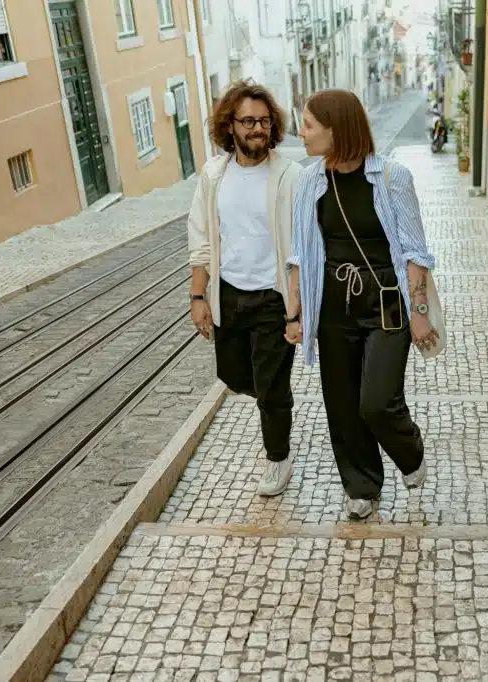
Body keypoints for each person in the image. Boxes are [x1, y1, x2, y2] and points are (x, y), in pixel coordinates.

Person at [285, 89, 439, 520]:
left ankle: (410, 450)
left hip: (386, 302)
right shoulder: (309, 180)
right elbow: (300, 252)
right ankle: (362, 486)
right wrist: (295, 313)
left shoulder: (392, 178)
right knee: (342, 403)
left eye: (310, 125)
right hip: (332, 307)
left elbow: (415, 253)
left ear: (338, 129)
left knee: (377, 401)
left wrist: (420, 314)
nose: (302, 132)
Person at [187, 80, 302, 497]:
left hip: (273, 297)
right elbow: (200, 238)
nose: (258, 128)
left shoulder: (290, 174)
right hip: (229, 294)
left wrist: (296, 307)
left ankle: (278, 457)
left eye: (264, 121)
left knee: (271, 387)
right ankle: (276, 403)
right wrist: (198, 297)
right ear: (230, 126)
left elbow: (301, 246)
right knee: (235, 375)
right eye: (248, 121)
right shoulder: (214, 175)